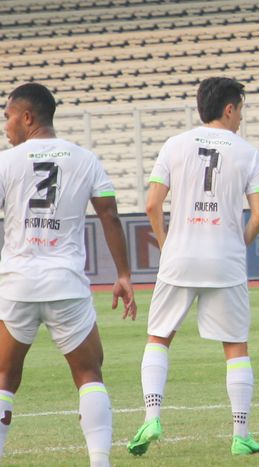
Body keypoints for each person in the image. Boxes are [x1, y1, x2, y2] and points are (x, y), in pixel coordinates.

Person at [127, 77, 259, 457]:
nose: (241, 117)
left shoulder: (175, 145)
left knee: (159, 337)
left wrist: (167, 241)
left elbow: (153, 205)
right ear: (228, 108)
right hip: (225, 259)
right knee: (235, 346)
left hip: (180, 255)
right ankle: (241, 435)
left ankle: (151, 416)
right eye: (240, 108)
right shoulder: (248, 152)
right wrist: (238, 243)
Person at [0, 83, 137, 467]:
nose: (7, 125)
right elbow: (109, 215)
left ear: (27, 117)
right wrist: (124, 274)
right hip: (66, 283)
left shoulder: (6, 162)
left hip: (18, 283)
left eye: (8, 116)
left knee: (4, 378)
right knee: (89, 372)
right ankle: (99, 462)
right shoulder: (85, 159)